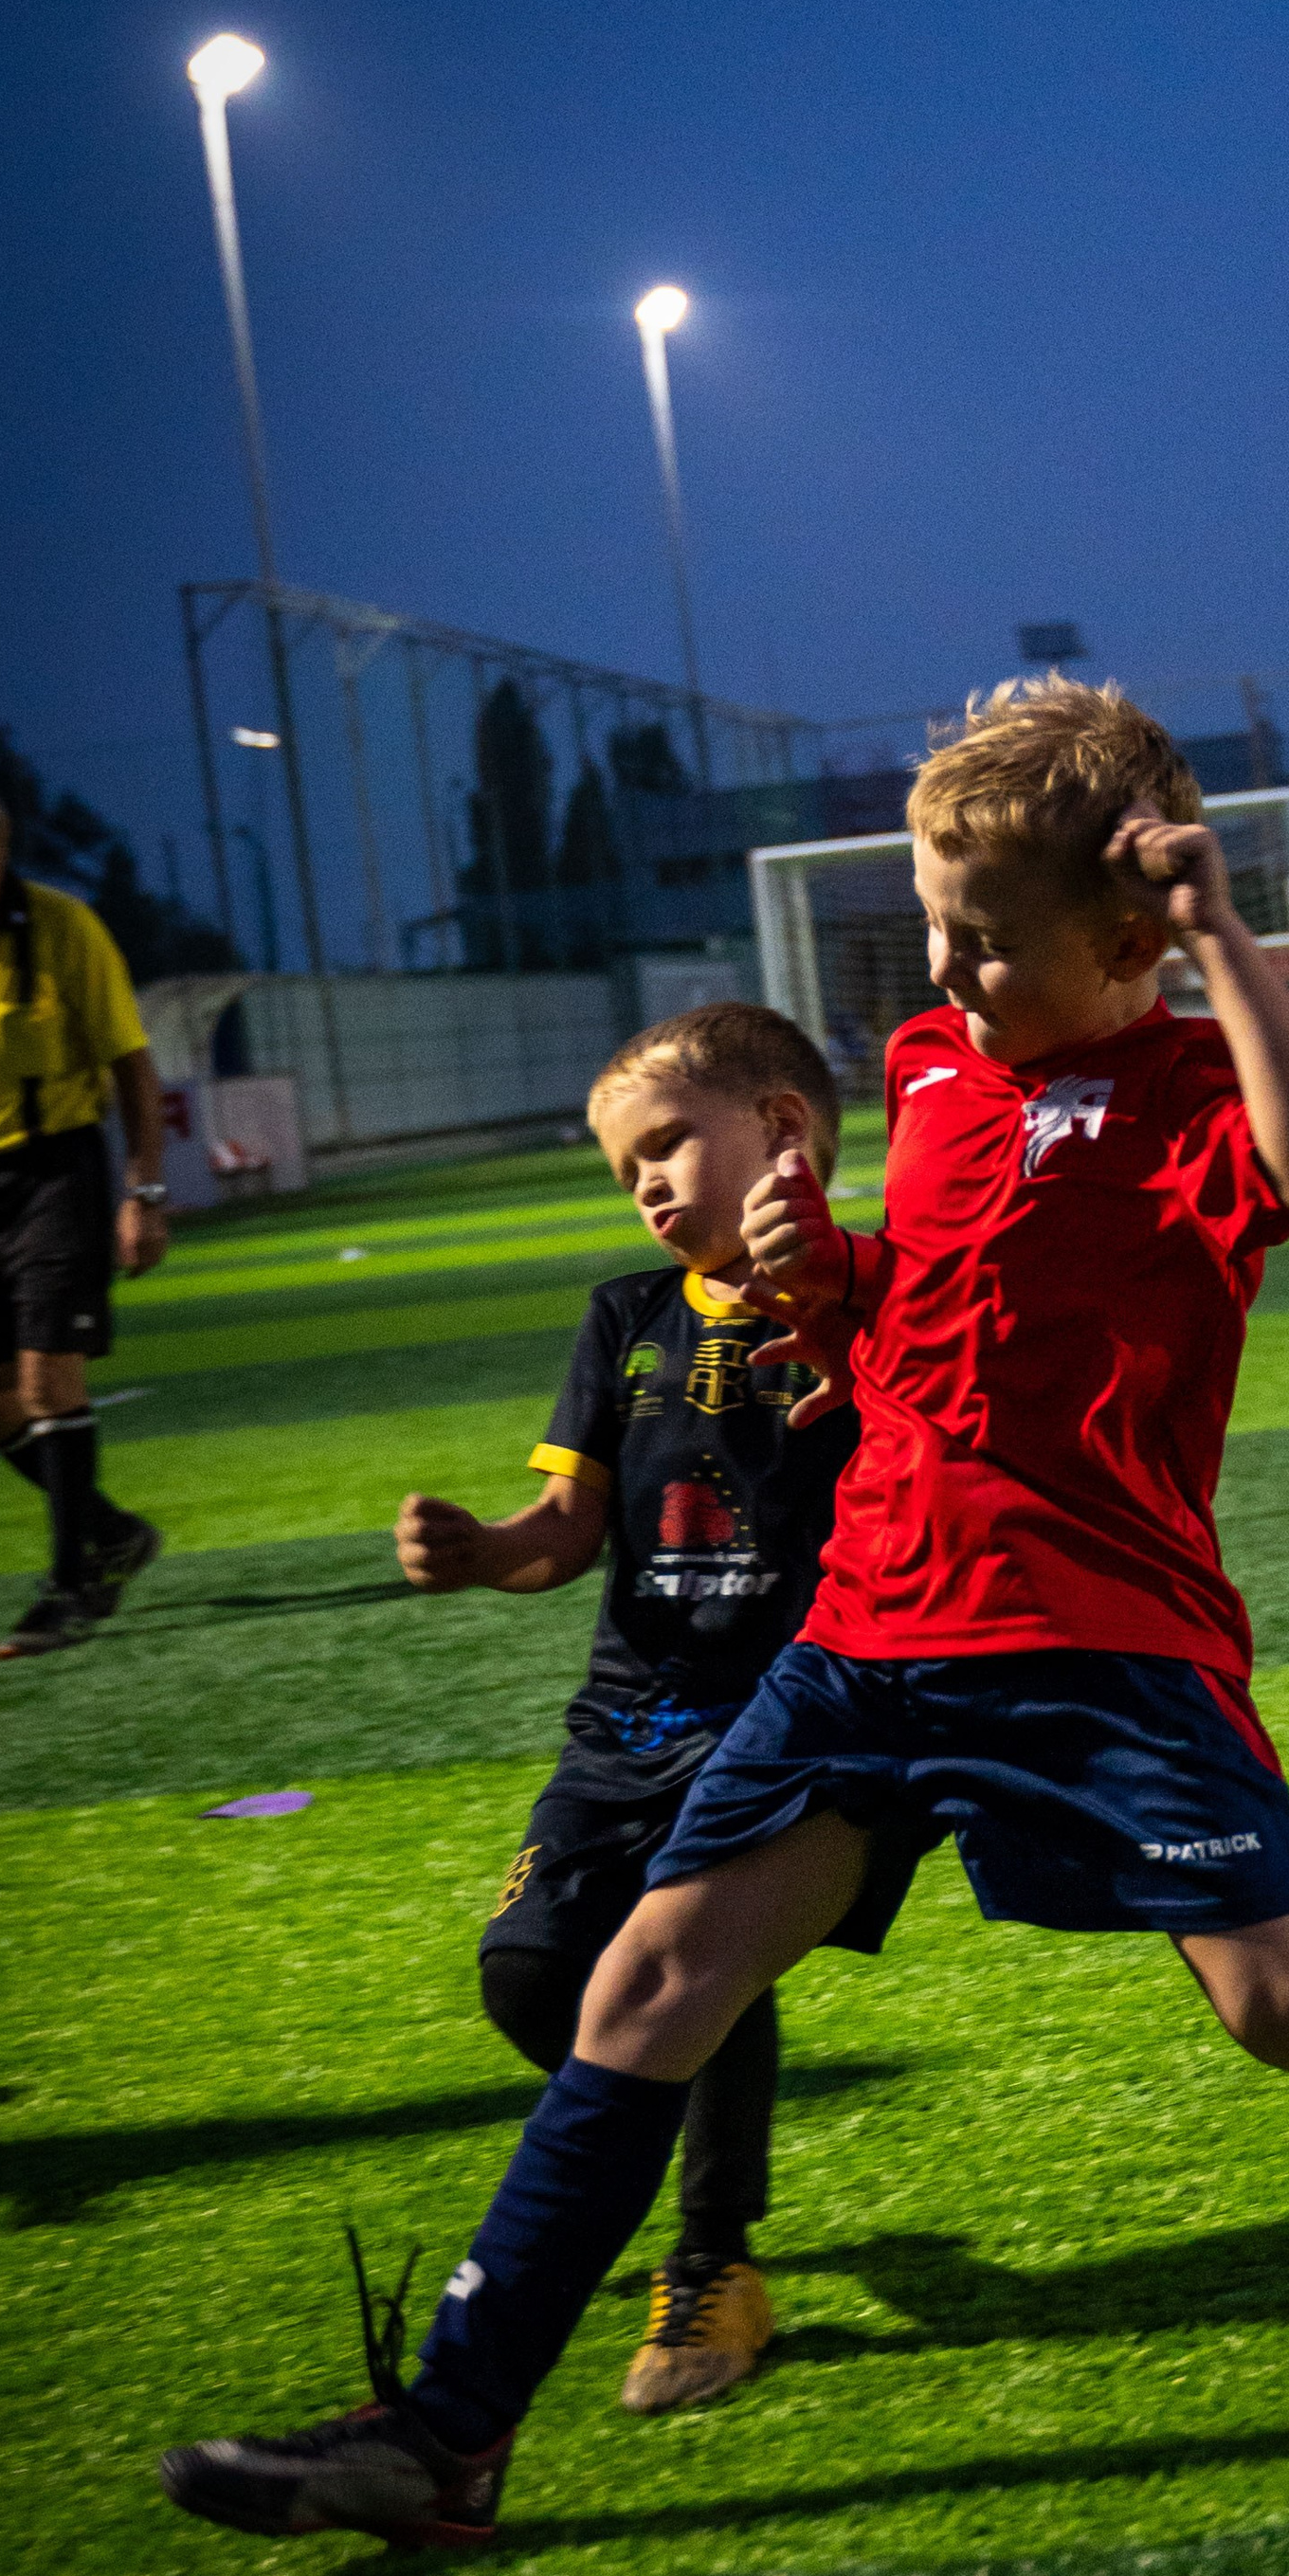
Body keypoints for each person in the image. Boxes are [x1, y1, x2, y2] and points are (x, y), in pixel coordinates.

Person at [162, 679, 1289, 2552]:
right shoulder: (923, 1066)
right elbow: (939, 1297)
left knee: (1287, 2008)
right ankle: (450, 2431)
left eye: (985, 942)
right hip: (871, 1624)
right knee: (643, 1983)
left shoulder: (1202, 1075)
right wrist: (833, 1286)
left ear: (1128, 934)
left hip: (1100, 1638)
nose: (948, 973)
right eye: (932, 933)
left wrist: (1225, 925)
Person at [392, 1000, 858, 2414]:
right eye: (625, 1169)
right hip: (626, 1714)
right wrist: (485, 1550)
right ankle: (629, 2139)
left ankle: (712, 2259)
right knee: (531, 1974)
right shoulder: (625, 1318)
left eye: (668, 1143)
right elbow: (563, 1527)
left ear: (781, 1129)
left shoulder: (860, 1292)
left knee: (696, 1953)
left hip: (786, 1708)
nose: (648, 1182)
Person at [0, 766, 168, 1657]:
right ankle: (110, 1531)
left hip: (52, 1174)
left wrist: (143, 1190)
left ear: (3, 845)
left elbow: (133, 1069)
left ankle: (73, 1582)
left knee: (47, 1382)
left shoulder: (64, 929)